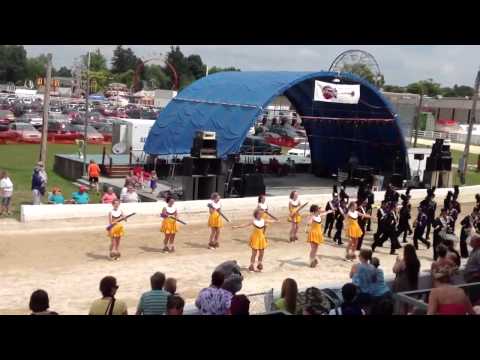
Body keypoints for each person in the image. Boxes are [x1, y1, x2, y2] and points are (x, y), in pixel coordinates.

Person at [464, 234, 480, 304]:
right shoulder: (474, 250)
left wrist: (476, 275)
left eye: (472, 242)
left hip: (475, 280)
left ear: (477, 242)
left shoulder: (479, 252)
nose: (470, 243)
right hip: (470, 280)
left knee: (473, 299)